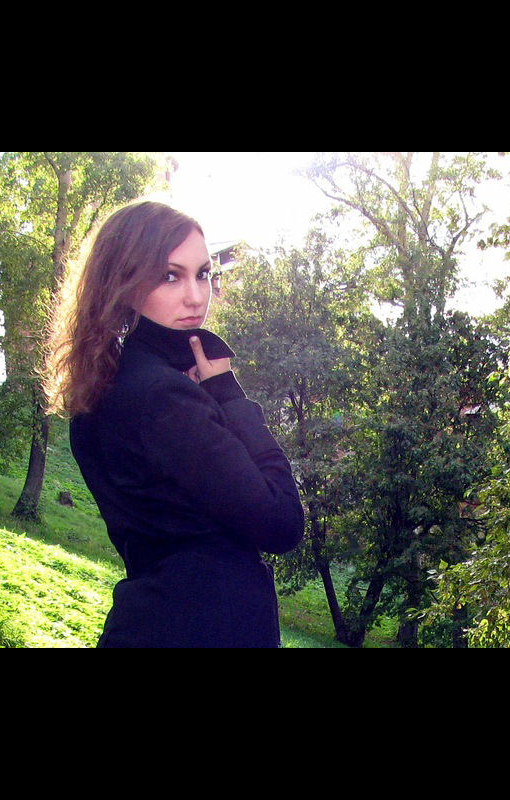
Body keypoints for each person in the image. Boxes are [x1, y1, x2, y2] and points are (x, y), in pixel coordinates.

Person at [47, 201, 304, 647]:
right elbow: (282, 523)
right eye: (170, 276)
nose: (196, 296)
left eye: (203, 274)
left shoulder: (103, 385)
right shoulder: (163, 396)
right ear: (125, 282)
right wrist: (228, 394)